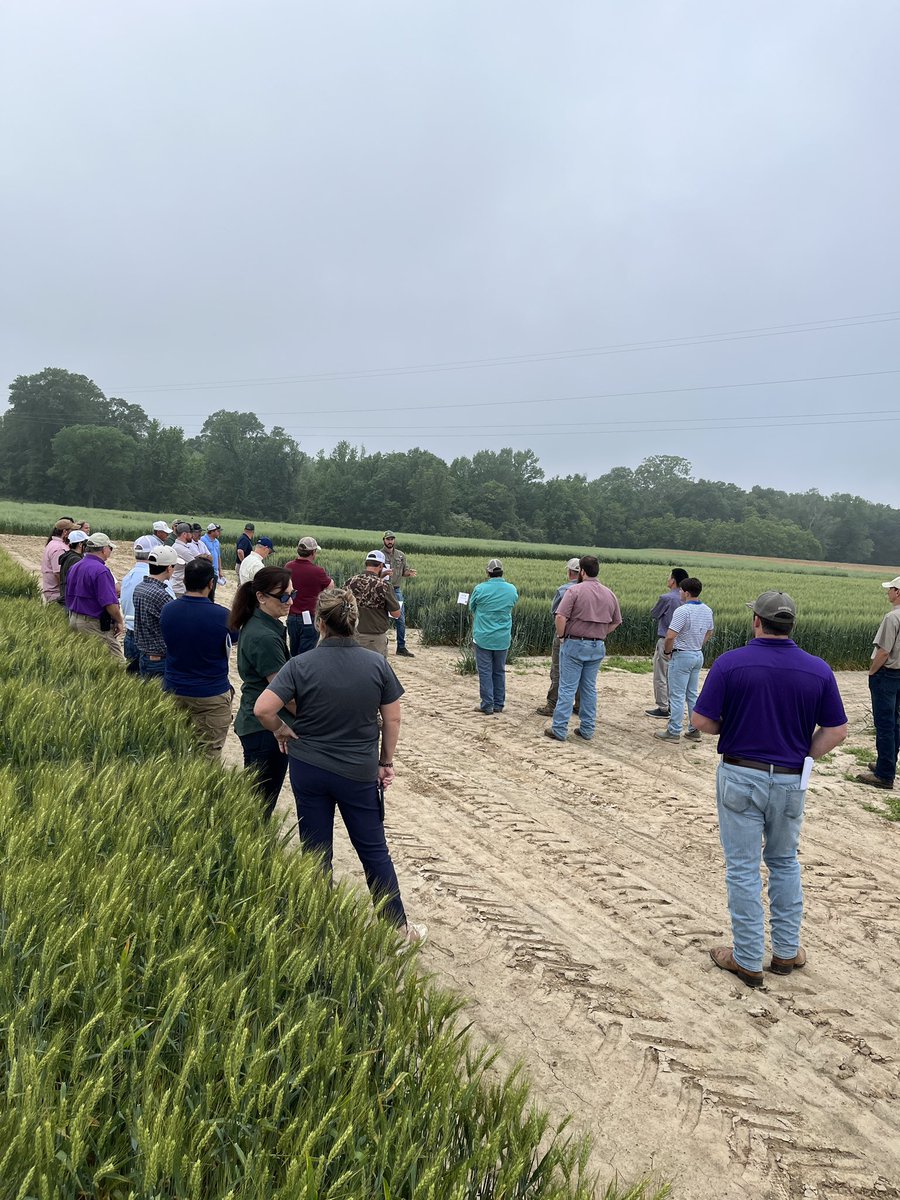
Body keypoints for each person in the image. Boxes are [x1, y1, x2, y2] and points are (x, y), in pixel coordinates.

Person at [692, 591, 848, 987]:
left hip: (741, 774)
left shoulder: (731, 663)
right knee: (784, 861)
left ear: (757, 622)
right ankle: (785, 951)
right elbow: (837, 730)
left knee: (743, 867)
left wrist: (738, 728)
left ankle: (746, 958)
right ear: (791, 624)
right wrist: (803, 754)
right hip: (791, 779)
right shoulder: (818, 670)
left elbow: (701, 721)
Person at [254, 587, 425, 942]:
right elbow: (392, 719)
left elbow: (263, 709)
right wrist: (385, 762)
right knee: (373, 849)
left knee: (315, 849)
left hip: (309, 769)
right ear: (354, 622)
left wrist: (283, 730)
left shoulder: (300, 664)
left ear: (319, 623)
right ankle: (396, 930)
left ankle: (316, 926)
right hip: (358, 772)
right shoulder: (376, 663)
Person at [230, 566, 296, 817]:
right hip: (265, 730)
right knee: (259, 808)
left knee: (256, 802)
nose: (289, 601)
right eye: (283, 596)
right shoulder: (264, 636)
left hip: (257, 724)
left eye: (292, 594)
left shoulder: (260, 625)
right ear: (261, 597)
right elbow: (283, 692)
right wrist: (310, 716)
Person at [160, 558, 233, 759]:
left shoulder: (168, 610)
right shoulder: (222, 615)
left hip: (174, 688)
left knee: (175, 751)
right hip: (211, 693)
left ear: (184, 580)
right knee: (209, 754)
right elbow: (235, 638)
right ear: (211, 583)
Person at [545, 556, 621, 742]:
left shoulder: (574, 591)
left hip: (575, 644)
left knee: (567, 688)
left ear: (582, 572)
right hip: (597, 646)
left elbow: (560, 617)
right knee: (589, 688)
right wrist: (601, 632)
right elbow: (617, 621)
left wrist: (562, 637)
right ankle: (587, 729)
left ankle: (560, 729)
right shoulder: (609, 593)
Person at [654, 577, 714, 742]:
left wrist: (667, 651)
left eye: (681, 590)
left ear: (686, 593)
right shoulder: (707, 610)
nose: (679, 592)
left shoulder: (682, 610)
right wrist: (698, 643)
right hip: (697, 654)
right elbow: (709, 632)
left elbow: (670, 636)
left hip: (682, 655)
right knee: (692, 694)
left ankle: (673, 731)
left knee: (677, 695)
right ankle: (694, 729)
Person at [856, 575, 900, 790]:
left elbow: (883, 651)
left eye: (890, 589)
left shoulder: (892, 618)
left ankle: (884, 775)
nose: (887, 592)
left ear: (898, 592)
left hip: (888, 675)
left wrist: (872, 672)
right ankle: (887, 764)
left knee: (884, 724)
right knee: (895, 721)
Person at [469, 558, 519, 715]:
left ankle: (487, 705)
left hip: (483, 637)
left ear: (488, 572)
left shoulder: (480, 588)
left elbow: (472, 607)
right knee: (499, 671)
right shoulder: (512, 589)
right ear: (502, 572)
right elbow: (513, 603)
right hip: (503, 637)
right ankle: (499, 704)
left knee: (485, 671)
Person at [65, 533, 125, 662]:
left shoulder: (75, 567)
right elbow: (110, 604)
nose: (110, 551)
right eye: (110, 548)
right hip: (93, 623)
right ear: (104, 549)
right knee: (117, 663)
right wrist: (119, 620)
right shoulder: (101, 571)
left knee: (85, 660)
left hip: (74, 618)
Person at [536, 557, 581, 717]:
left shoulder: (564, 590)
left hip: (565, 635)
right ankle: (580, 704)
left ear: (570, 572)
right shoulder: (595, 590)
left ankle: (552, 704)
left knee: (557, 669)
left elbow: (556, 614)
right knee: (581, 671)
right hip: (586, 638)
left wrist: (561, 635)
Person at [646, 568, 689, 719]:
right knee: (675, 675)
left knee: (661, 674)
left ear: (673, 581)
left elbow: (654, 614)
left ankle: (663, 708)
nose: (667, 579)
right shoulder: (688, 599)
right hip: (683, 643)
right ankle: (673, 704)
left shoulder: (666, 598)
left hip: (666, 639)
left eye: (669, 577)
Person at [133, 545, 177, 678]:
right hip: (159, 659)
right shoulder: (161, 595)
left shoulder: (139, 587)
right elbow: (174, 624)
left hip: (144, 654)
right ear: (169, 568)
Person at [346, 551, 401, 657]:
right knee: (375, 671)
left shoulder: (350, 582)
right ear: (381, 566)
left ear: (366, 564)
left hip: (351, 635)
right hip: (374, 639)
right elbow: (396, 614)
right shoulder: (384, 586)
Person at [286, 537, 333, 656]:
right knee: (306, 655)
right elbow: (330, 587)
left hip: (291, 616)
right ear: (313, 553)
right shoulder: (317, 571)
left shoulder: (288, 567)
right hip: (310, 618)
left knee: (293, 653)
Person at [381, 531, 417, 657]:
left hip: (396, 589)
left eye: (392, 539)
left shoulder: (400, 555)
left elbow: (403, 572)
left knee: (400, 619)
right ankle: (381, 645)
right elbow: (374, 572)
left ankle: (401, 647)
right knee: (381, 616)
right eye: (388, 539)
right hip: (382, 587)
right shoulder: (379, 555)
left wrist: (409, 573)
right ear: (384, 540)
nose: (390, 541)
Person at [120, 543, 153, 673]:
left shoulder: (128, 576)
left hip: (130, 633)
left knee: (132, 677)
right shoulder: (153, 579)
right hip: (147, 639)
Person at [40, 519, 75, 604]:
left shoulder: (53, 543)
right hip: (57, 595)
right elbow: (58, 573)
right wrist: (66, 592)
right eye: (71, 531)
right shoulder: (59, 548)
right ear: (65, 532)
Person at [58, 529, 89, 606]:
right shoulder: (76, 560)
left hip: (66, 598)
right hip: (71, 601)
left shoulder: (68, 556)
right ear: (80, 544)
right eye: (86, 543)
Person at [171, 522, 202, 597]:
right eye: (191, 533)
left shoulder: (176, 546)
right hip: (179, 588)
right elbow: (196, 566)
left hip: (176, 586)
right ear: (184, 534)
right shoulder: (183, 550)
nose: (192, 535)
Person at [200, 523, 226, 603]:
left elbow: (218, 556)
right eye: (218, 531)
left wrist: (220, 570)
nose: (219, 533)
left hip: (214, 571)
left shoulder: (217, 542)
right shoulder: (203, 540)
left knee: (212, 591)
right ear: (212, 531)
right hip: (207, 569)